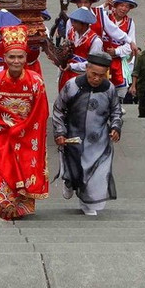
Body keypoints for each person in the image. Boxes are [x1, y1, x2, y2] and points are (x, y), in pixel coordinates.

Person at [0, 25, 50, 220]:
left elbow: (41, 111)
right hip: (1, 132)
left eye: (20, 57)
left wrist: (22, 129)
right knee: (0, 166)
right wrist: (8, 127)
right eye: (11, 57)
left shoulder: (36, 81)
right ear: (4, 58)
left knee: (25, 164)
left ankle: (20, 207)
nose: (16, 61)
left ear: (26, 58)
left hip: (28, 131)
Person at [54, 51, 123, 216]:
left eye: (101, 75)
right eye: (93, 74)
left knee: (97, 174)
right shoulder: (72, 86)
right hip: (74, 138)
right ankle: (69, 181)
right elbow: (58, 110)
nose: (97, 79)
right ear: (86, 69)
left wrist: (115, 127)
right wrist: (60, 132)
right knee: (76, 171)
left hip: (99, 141)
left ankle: (88, 204)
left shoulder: (110, 90)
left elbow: (116, 111)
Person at [100, 0, 138, 99]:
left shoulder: (130, 23)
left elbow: (130, 44)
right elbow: (94, 14)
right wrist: (105, 4)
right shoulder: (105, 17)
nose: (124, 9)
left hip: (117, 61)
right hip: (101, 59)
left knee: (119, 92)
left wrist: (116, 51)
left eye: (127, 7)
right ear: (115, 6)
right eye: (121, 5)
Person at [58, 7, 104, 92]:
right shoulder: (71, 32)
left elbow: (92, 64)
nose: (72, 24)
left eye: (75, 22)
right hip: (66, 75)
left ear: (83, 24)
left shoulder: (95, 41)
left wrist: (72, 66)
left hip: (82, 77)